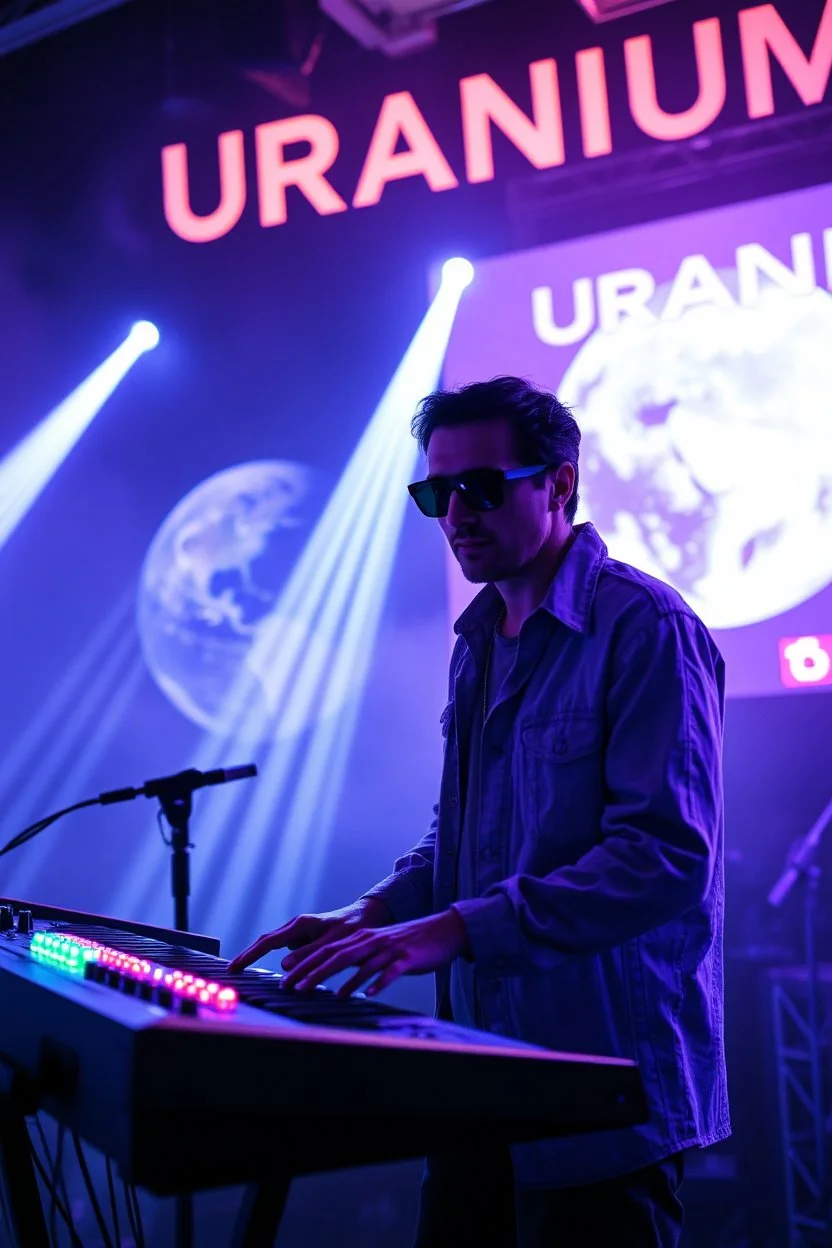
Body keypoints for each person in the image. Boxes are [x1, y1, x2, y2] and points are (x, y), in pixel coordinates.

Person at [229, 375, 729, 1247]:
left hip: (600, 1095)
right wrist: (371, 914)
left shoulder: (647, 626)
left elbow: (664, 859)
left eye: (483, 487)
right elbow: (459, 840)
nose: (456, 511)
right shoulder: (476, 644)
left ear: (560, 485)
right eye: (436, 492)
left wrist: (456, 928)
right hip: (476, 1082)